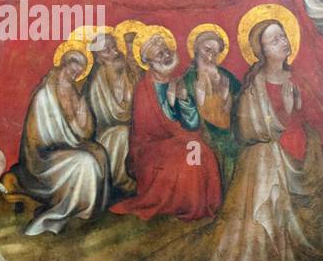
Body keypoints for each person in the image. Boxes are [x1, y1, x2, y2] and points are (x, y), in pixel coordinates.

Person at [177, 8, 323, 261]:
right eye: (274, 39)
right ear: (261, 50)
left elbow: (318, 124)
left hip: (300, 162)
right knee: (264, 159)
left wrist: (298, 112)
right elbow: (247, 130)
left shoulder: (298, 79)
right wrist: (285, 112)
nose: (283, 42)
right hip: (263, 163)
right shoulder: (254, 84)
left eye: (283, 36)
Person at [110, 28, 222, 222]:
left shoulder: (176, 82)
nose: (166, 56)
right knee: (187, 158)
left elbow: (192, 124)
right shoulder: (144, 89)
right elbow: (149, 132)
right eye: (159, 55)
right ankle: (182, 206)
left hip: (180, 141)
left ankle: (202, 205)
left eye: (166, 51)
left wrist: (184, 100)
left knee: (203, 152)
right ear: (150, 63)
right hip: (151, 149)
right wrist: (170, 104)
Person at [12, 45, 109, 236]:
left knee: (100, 153)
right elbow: (41, 138)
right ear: (64, 64)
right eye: (74, 66)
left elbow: (84, 134)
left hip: (69, 146)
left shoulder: (75, 94)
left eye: (80, 70)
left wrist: (82, 124)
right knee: (85, 161)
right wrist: (74, 125)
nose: (76, 72)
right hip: (44, 155)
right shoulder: (44, 95)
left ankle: (89, 211)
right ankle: (74, 210)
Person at [181, 24, 241, 185]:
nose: (211, 57)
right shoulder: (188, 79)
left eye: (215, 53)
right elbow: (184, 114)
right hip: (201, 131)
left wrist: (228, 99)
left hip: (228, 131)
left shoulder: (227, 76)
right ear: (196, 50)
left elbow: (241, 102)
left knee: (235, 152)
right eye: (207, 50)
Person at [83, 28, 139, 195]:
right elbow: (105, 118)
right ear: (98, 58)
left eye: (114, 46)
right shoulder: (97, 83)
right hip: (109, 133)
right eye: (106, 50)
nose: (114, 51)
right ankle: (122, 181)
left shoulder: (129, 72)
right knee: (122, 133)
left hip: (136, 127)